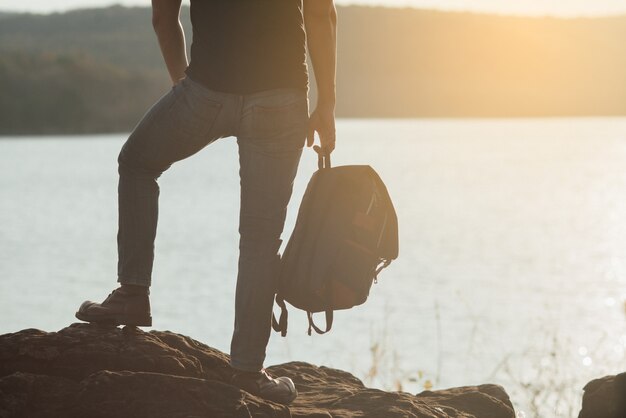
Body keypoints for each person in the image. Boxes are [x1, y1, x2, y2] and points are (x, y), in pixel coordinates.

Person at [75, 0, 337, 405]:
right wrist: (329, 104)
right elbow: (321, 13)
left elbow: (163, 17)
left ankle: (133, 293)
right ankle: (249, 371)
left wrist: (185, 85)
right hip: (282, 97)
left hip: (207, 90)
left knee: (138, 164)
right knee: (260, 238)